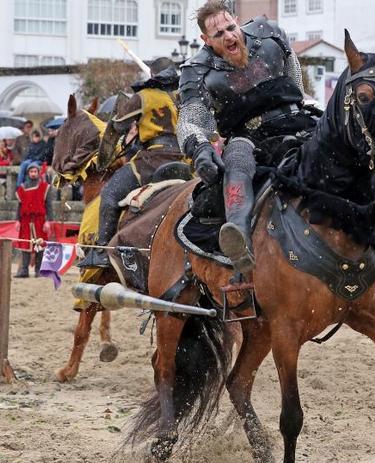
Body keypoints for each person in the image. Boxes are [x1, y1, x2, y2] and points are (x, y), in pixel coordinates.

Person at [176, 0, 314, 274]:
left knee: (341, 143)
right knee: (237, 161)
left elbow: (295, 82)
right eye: (219, 34)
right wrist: (201, 147)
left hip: (295, 120)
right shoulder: (197, 70)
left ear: (237, 21)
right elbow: (191, 117)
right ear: (205, 39)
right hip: (248, 136)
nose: (228, 36)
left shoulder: (270, 35)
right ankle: (237, 237)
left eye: (230, 27)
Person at [79, 70, 188, 268]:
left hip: (153, 159)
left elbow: (117, 128)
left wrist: (105, 157)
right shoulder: (176, 99)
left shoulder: (143, 96)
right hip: (181, 158)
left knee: (110, 195)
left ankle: (103, 252)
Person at [14, 162, 50, 278]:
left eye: (35, 171)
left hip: (39, 219)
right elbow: (19, 206)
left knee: (39, 245)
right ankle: (24, 270)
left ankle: (38, 270)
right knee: (25, 246)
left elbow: (48, 205)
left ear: (38, 173)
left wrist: (48, 220)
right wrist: (17, 220)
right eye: (31, 172)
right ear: (28, 173)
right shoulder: (22, 188)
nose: (33, 174)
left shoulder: (44, 187)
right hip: (25, 220)